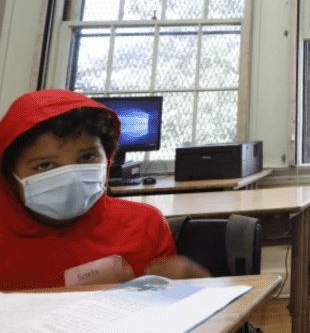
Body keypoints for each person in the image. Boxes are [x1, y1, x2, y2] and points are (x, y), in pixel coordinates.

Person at [0, 89, 209, 291]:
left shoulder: (144, 226)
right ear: (9, 175)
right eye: (45, 165)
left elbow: (169, 315)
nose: (72, 177)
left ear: (107, 159)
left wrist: (195, 291)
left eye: (87, 157)